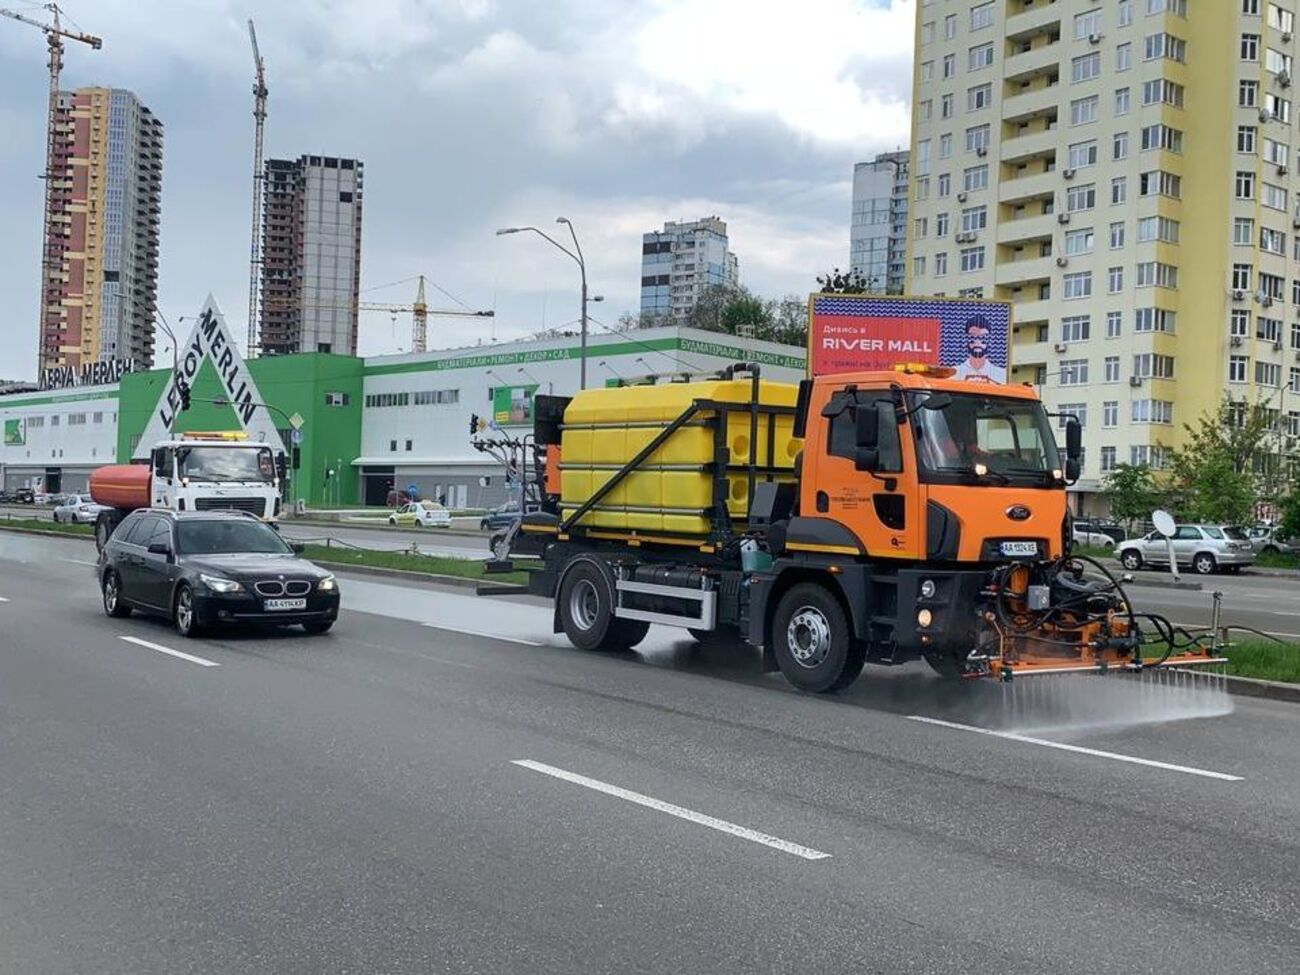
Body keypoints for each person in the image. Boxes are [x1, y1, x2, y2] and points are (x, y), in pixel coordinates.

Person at [951, 316, 1006, 384]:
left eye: (983, 337)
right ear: (966, 340)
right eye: (972, 337)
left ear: (990, 340)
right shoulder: (953, 375)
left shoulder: (1002, 375)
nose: (977, 342)